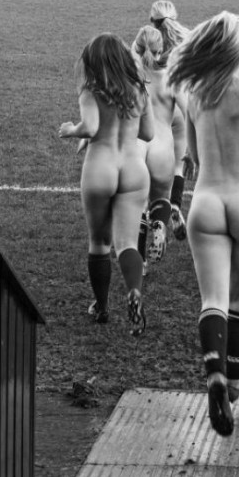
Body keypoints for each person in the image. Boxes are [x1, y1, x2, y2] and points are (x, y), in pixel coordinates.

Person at [167, 11, 239, 437]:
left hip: (206, 202)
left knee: (212, 299)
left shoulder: (194, 93)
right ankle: (233, 380)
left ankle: (213, 372)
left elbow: (196, 157)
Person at [59, 33, 154, 336]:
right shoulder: (139, 90)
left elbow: (91, 126)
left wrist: (71, 131)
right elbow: (149, 134)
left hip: (101, 167)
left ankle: (101, 307)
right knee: (127, 243)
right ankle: (134, 290)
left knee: (99, 242)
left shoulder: (91, 91)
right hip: (133, 169)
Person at [131, 25, 190, 269]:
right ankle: (159, 222)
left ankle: (141, 262)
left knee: (136, 205)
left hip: (138, 144)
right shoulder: (172, 79)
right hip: (163, 148)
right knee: (160, 198)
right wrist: (192, 149)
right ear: (161, 50)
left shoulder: (131, 75)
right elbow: (189, 113)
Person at [149, 0, 192, 240]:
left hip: (160, 108)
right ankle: (175, 204)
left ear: (151, 20)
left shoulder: (147, 41)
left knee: (153, 167)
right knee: (178, 165)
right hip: (182, 105)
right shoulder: (187, 42)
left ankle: (157, 214)